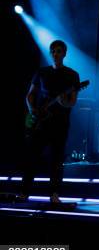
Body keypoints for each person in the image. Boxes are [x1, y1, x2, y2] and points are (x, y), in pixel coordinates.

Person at [19, 40, 80, 204]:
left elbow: (72, 101)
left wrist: (63, 102)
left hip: (60, 123)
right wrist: (32, 109)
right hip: (40, 122)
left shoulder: (72, 75)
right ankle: (24, 192)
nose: (55, 53)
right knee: (32, 156)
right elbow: (30, 95)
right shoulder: (41, 72)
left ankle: (54, 194)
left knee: (56, 159)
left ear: (64, 53)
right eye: (53, 51)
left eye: (59, 51)